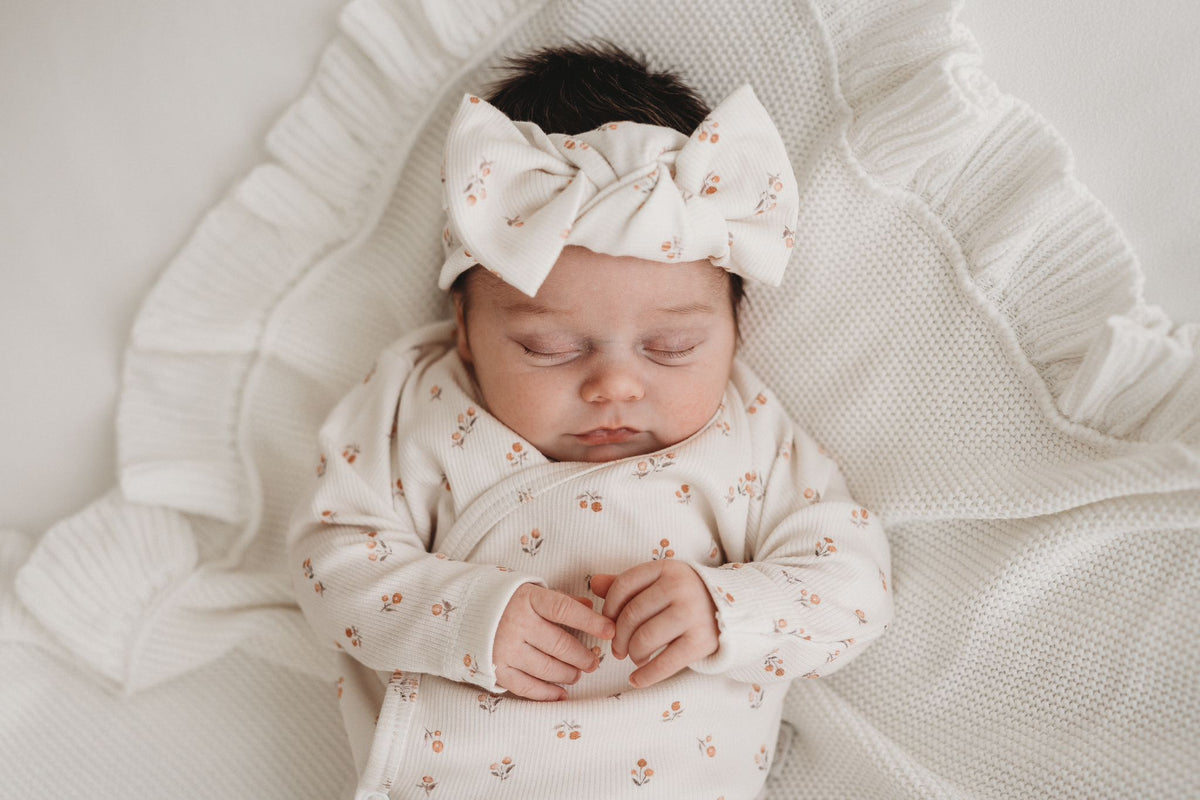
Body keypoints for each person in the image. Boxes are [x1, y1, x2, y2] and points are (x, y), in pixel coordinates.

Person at [287, 43, 893, 800]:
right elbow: (329, 563)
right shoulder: (421, 398)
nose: (614, 385)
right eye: (550, 347)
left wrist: (727, 609)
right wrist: (464, 618)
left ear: (735, 331)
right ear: (466, 330)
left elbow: (854, 586)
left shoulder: (751, 432)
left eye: (671, 348)